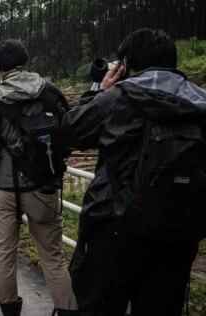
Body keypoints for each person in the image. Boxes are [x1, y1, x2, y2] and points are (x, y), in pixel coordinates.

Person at [64, 28, 206, 316]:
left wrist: (98, 90)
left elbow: (70, 130)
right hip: (179, 230)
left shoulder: (118, 97)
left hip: (114, 228)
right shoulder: (200, 101)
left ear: (126, 64)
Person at [0, 39, 78, 316]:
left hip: (4, 188)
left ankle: (10, 311)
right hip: (42, 186)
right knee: (53, 256)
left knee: (5, 253)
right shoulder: (51, 94)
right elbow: (67, 137)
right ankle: (66, 309)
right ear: (25, 61)